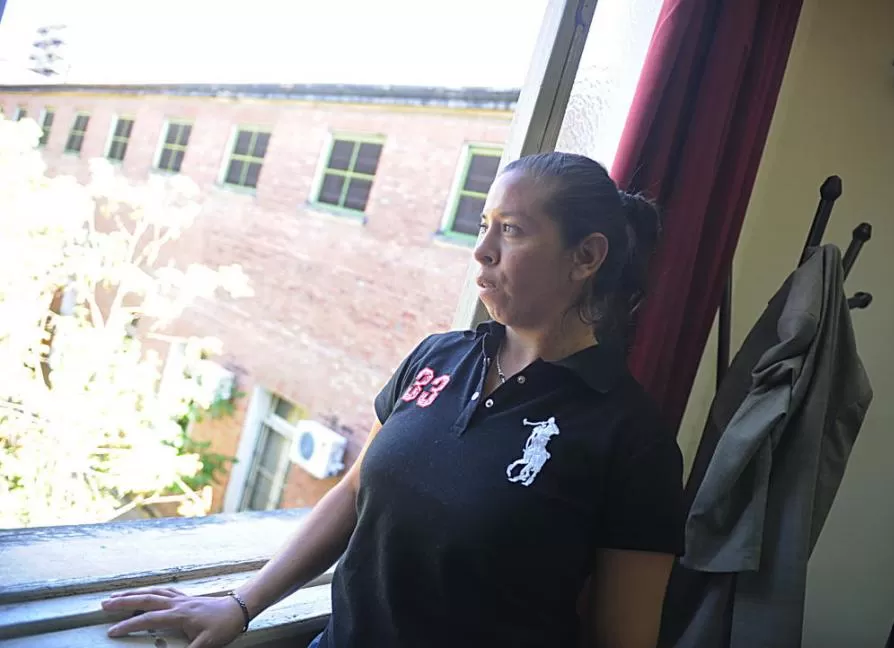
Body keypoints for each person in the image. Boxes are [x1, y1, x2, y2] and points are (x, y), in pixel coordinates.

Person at [101, 152, 687, 648]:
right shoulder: (439, 357)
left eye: (511, 230)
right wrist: (241, 603)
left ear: (586, 257)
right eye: (483, 224)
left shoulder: (631, 439)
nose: (482, 250)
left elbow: (622, 639)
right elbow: (356, 490)